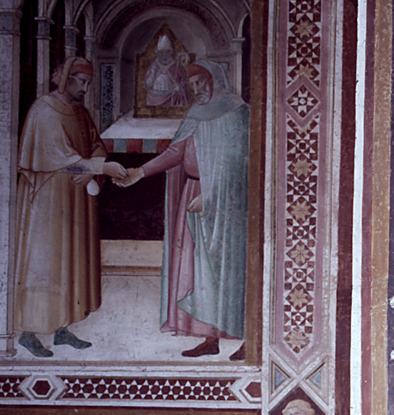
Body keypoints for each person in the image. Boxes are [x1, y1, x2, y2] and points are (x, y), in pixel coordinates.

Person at [113, 60, 248, 359]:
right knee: (199, 271)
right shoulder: (196, 115)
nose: (196, 89)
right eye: (192, 84)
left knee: (226, 270)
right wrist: (140, 172)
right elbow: (176, 152)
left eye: (201, 82)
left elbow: (240, 163)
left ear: (215, 80)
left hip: (226, 204)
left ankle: (248, 339)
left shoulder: (237, 113)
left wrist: (211, 196)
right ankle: (210, 338)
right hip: (193, 194)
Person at [13, 58, 126, 358]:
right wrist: (100, 168)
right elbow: (58, 157)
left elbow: (95, 145)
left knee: (70, 259)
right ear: (66, 78)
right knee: (45, 261)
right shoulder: (44, 110)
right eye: (81, 81)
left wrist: (92, 170)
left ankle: (62, 328)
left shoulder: (79, 112)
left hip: (74, 199)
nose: (85, 88)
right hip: (48, 201)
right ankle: (29, 332)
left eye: (88, 83)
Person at [143, 35, 190, 107]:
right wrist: (153, 74)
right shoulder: (154, 66)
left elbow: (184, 85)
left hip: (171, 99)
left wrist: (179, 88)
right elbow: (147, 86)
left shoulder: (176, 67)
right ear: (158, 54)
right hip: (153, 99)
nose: (164, 55)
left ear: (171, 53)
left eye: (167, 52)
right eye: (161, 53)